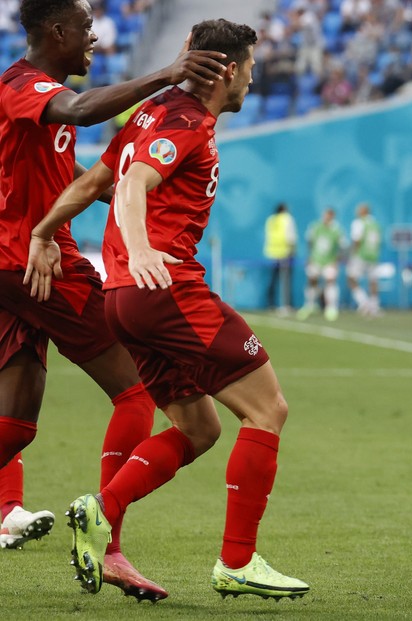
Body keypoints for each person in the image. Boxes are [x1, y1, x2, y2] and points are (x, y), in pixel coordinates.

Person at [26, 18, 310, 601]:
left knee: (198, 427)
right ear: (227, 70)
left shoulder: (147, 115)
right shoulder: (183, 120)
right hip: (166, 288)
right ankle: (238, 561)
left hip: (124, 301)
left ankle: (100, 508)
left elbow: (92, 184)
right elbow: (129, 189)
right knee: (268, 409)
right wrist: (141, 246)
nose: (252, 82)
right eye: (250, 69)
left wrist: (44, 233)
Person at [0, 0, 226, 601]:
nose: (94, 39)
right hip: (32, 262)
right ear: (56, 31)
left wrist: (141, 200)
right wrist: (165, 73)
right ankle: (110, 542)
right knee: (138, 391)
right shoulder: (27, 87)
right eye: (85, 29)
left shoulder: (43, 102)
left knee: (16, 426)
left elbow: (72, 178)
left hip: (15, 265)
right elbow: (80, 107)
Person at [297, 207, 345, 322]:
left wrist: (336, 261)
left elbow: (342, 247)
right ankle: (309, 305)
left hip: (329, 261)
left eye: (329, 215)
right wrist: (309, 257)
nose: (326, 217)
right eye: (325, 215)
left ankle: (331, 308)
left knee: (330, 281)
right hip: (316, 260)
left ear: (332, 216)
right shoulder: (315, 226)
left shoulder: (337, 230)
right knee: (312, 281)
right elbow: (310, 242)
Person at [346, 202, 383, 317]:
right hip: (373, 255)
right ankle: (374, 305)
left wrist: (352, 254)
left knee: (351, 278)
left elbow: (357, 239)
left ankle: (363, 302)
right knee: (373, 280)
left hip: (361, 255)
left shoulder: (359, 223)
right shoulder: (375, 224)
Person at [263, 202, 297, 314]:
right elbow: (291, 237)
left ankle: (270, 304)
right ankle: (285, 305)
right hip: (285, 253)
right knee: (285, 280)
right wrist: (292, 251)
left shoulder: (271, 220)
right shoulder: (287, 219)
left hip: (272, 253)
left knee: (273, 280)